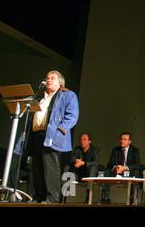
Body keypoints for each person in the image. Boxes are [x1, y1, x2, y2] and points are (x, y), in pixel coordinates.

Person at [29, 70, 79, 203]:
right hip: (37, 134)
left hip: (52, 134)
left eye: (52, 78)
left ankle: (52, 198)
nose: (48, 80)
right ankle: (38, 196)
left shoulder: (67, 95)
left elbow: (72, 116)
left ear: (59, 82)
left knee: (50, 167)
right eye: (47, 78)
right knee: (37, 167)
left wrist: (60, 130)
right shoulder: (40, 96)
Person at [102, 132, 141, 203]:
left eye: (125, 139)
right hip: (117, 172)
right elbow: (110, 164)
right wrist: (115, 168)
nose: (122, 141)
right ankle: (106, 197)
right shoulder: (115, 150)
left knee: (136, 172)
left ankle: (132, 197)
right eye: (121, 139)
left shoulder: (135, 150)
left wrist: (125, 168)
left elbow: (137, 165)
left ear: (129, 141)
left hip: (129, 172)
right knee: (106, 172)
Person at [64, 133, 99, 200]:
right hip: (79, 173)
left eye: (85, 139)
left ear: (89, 141)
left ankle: (88, 195)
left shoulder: (94, 150)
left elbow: (96, 162)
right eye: (81, 140)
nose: (82, 141)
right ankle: (63, 197)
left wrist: (83, 163)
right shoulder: (77, 149)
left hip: (89, 174)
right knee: (67, 167)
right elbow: (71, 159)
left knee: (93, 168)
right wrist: (76, 161)